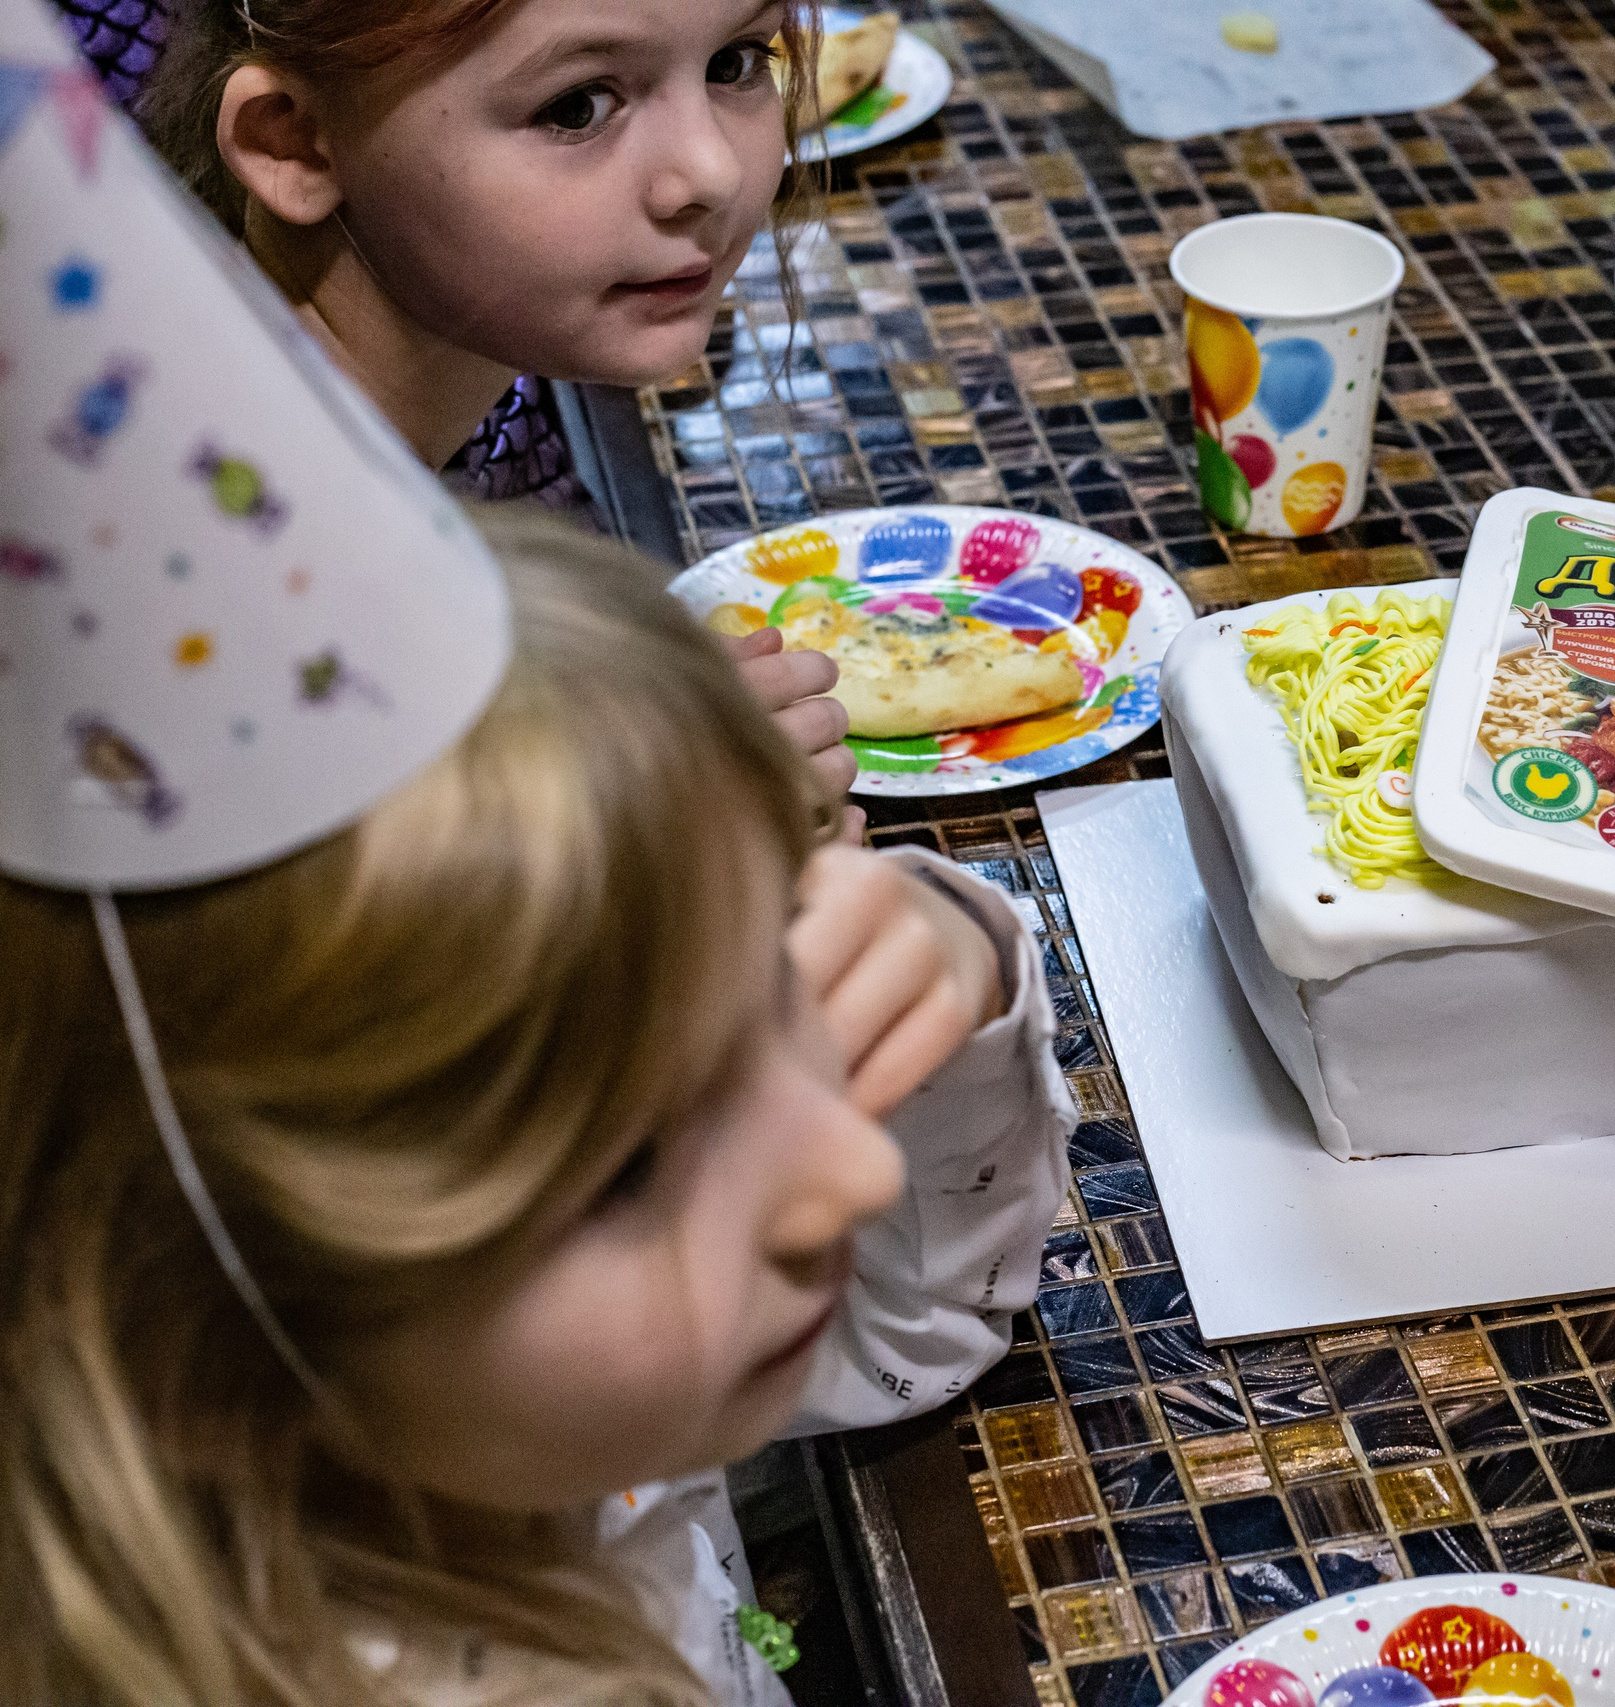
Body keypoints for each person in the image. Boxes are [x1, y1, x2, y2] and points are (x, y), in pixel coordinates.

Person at [0, 507, 1077, 1707]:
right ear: (201, 1350)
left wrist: (948, 959)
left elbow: (900, 1344)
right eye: (627, 1168)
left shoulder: (527, 1428)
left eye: (778, 983)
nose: (853, 1173)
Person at [140, 0, 859, 795]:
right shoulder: (230, 603)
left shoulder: (440, 429)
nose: (712, 172)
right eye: (576, 107)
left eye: (736, 63)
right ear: (294, 144)